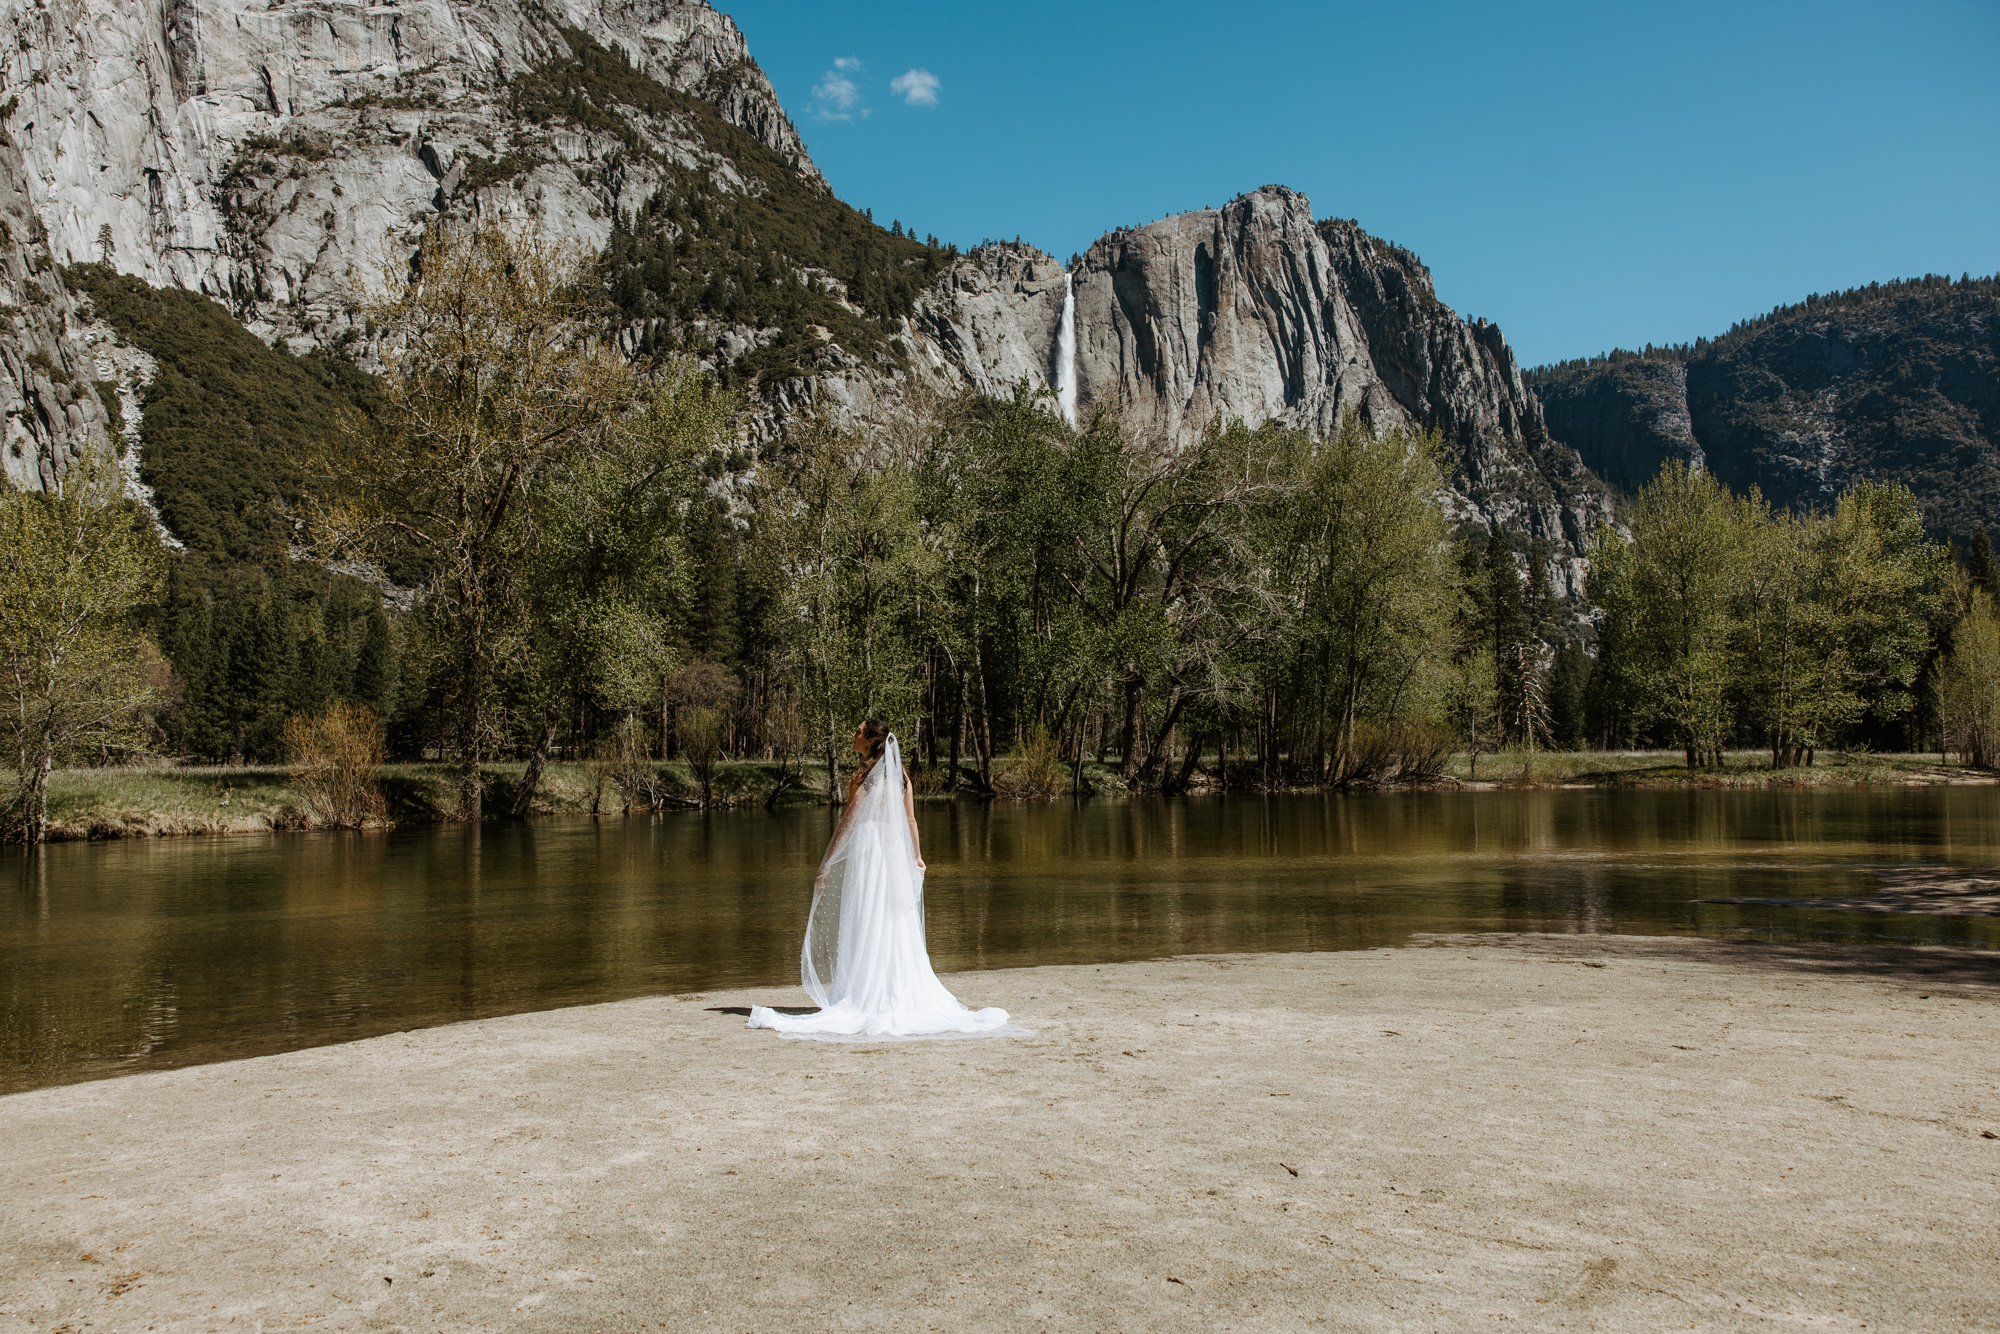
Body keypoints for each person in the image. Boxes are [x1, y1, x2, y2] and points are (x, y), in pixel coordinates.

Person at [748, 720, 1021, 1041]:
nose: (854, 735)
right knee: (892, 918)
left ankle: (865, 992)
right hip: (893, 855)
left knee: (867, 916)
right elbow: (910, 820)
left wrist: (826, 862)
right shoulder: (902, 775)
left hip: (868, 854)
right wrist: (916, 856)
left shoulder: (862, 776)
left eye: (858, 731)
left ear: (870, 740)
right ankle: (891, 988)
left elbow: (847, 822)